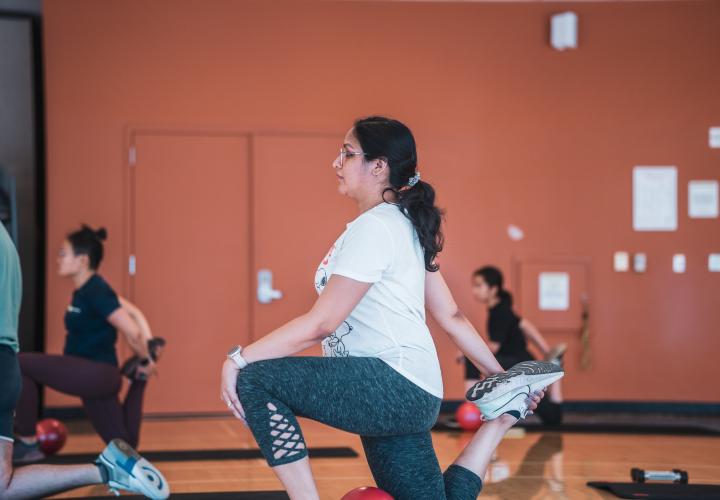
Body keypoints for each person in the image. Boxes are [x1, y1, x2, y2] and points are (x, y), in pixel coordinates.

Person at [219, 116, 551, 500]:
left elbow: (321, 324)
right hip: (413, 389)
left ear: (379, 166)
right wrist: (503, 382)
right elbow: (452, 316)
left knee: (255, 379)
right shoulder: (405, 225)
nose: (336, 163)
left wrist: (239, 358)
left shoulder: (375, 228)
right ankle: (498, 424)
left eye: (346, 153)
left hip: (387, 382)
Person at [0, 222, 169, 499]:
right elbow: (133, 311)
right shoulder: (88, 291)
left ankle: (28, 441)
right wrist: (145, 356)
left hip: (94, 372)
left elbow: (128, 327)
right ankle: (138, 380)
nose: (58, 258)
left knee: (17, 364)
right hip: (93, 377)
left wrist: (145, 354)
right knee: (124, 444)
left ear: (82, 260)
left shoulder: (95, 289)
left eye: (63, 253)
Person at [465, 266, 565, 425]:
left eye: (478, 285)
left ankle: (470, 409)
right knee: (552, 418)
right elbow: (524, 324)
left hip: (519, 363)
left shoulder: (500, 311)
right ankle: (474, 409)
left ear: (493, 289)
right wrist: (547, 351)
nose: (474, 290)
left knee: (470, 359)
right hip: (518, 361)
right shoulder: (500, 307)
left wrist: (466, 349)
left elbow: (494, 348)